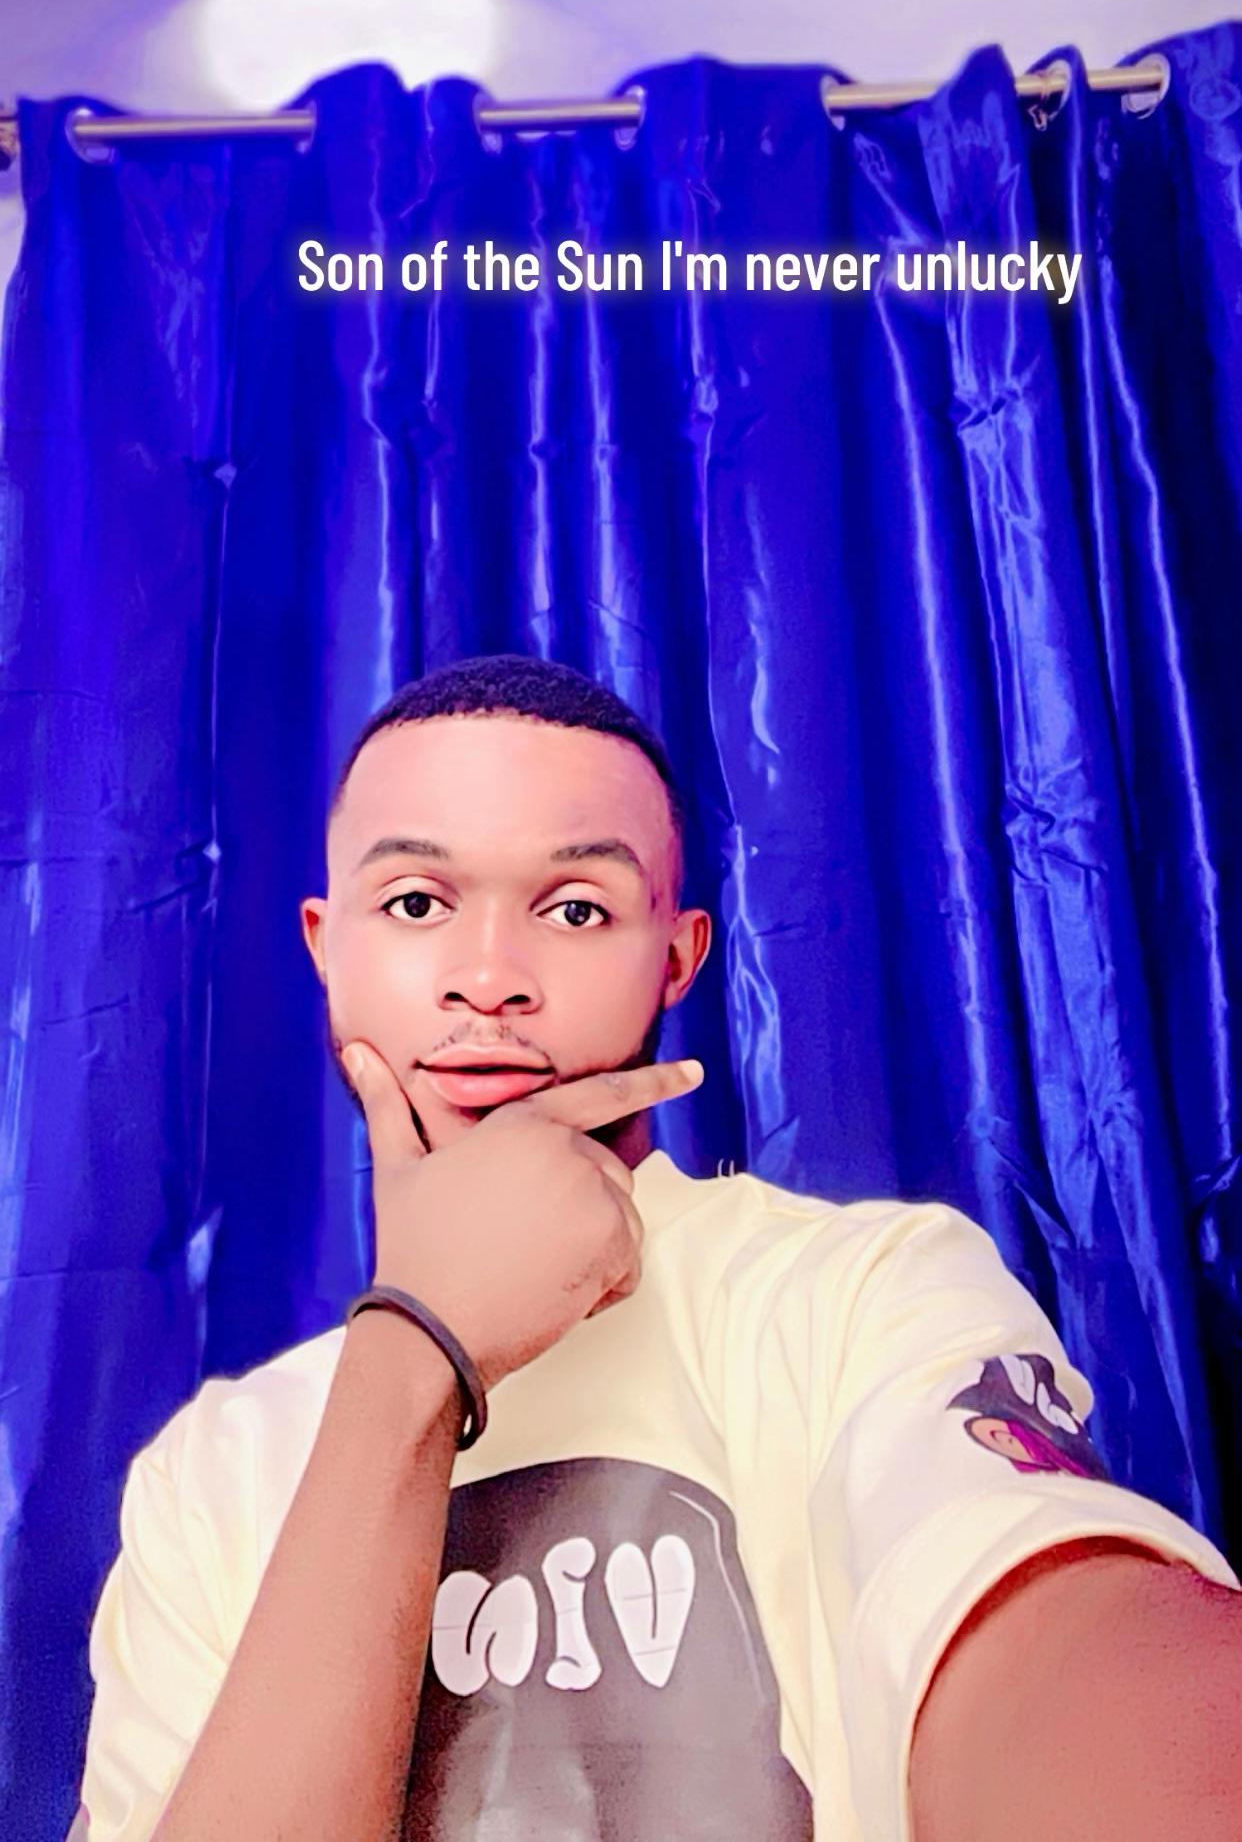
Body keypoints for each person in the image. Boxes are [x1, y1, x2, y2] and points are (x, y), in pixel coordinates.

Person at [75, 655, 1242, 1842]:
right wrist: (411, 1351)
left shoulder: (860, 1295)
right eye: (418, 904)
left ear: (677, 959)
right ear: (329, 948)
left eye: (576, 909)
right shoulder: (209, 1478)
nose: (489, 982)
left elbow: (1056, 1637)